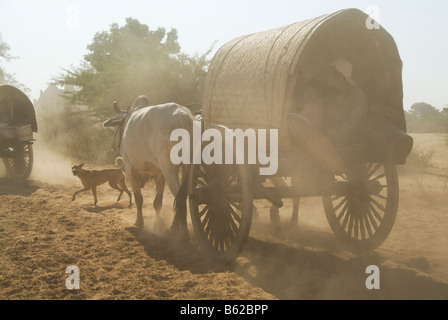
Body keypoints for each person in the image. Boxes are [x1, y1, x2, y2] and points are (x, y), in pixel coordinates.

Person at [324, 58, 368, 149]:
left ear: (339, 76)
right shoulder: (332, 96)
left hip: (353, 144)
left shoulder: (357, 95)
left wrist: (332, 135)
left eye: (330, 74)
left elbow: (353, 123)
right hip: (335, 142)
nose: (327, 76)